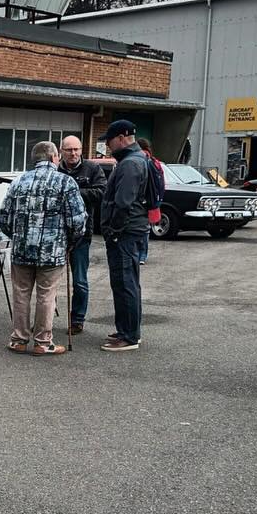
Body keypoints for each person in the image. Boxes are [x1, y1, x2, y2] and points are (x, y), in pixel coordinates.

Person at [0, 139, 86, 356]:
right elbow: (77, 220)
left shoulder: (19, 182)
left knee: (21, 294)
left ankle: (18, 339)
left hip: (22, 249)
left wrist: (18, 236)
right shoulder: (65, 182)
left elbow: (4, 218)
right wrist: (70, 242)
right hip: (51, 251)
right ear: (55, 157)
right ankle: (42, 342)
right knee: (46, 295)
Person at [99, 117, 152, 352]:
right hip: (130, 230)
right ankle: (127, 330)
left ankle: (129, 336)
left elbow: (123, 202)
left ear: (121, 138)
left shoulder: (131, 163)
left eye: (109, 141)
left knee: (125, 283)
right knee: (126, 282)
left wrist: (113, 231)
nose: (107, 146)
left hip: (125, 232)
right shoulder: (136, 159)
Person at [56, 135, 104, 335]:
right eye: (69, 150)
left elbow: (101, 192)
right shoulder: (55, 170)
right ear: (61, 151)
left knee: (79, 281)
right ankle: (45, 318)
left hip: (82, 233)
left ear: (81, 150)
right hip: (56, 233)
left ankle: (77, 320)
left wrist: (73, 192)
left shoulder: (92, 169)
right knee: (48, 280)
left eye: (76, 149)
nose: (73, 153)